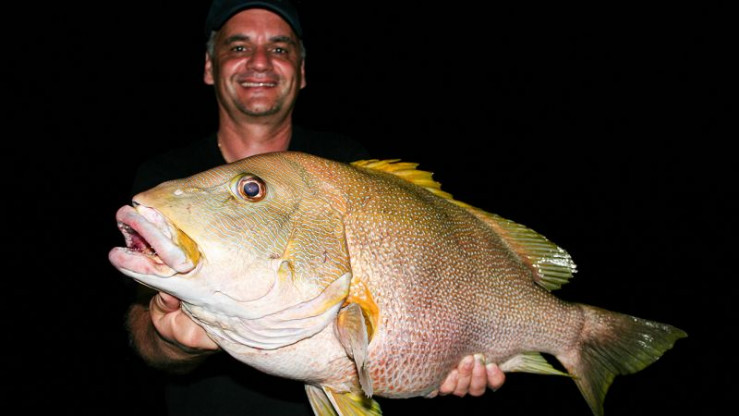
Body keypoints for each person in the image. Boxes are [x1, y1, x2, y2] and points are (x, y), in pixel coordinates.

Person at [125, 1, 505, 414]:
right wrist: (172, 342)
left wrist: (434, 360)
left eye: (279, 48)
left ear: (302, 71)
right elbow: (144, 330)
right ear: (208, 66)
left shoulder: (346, 163)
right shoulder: (169, 180)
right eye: (238, 47)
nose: (259, 62)